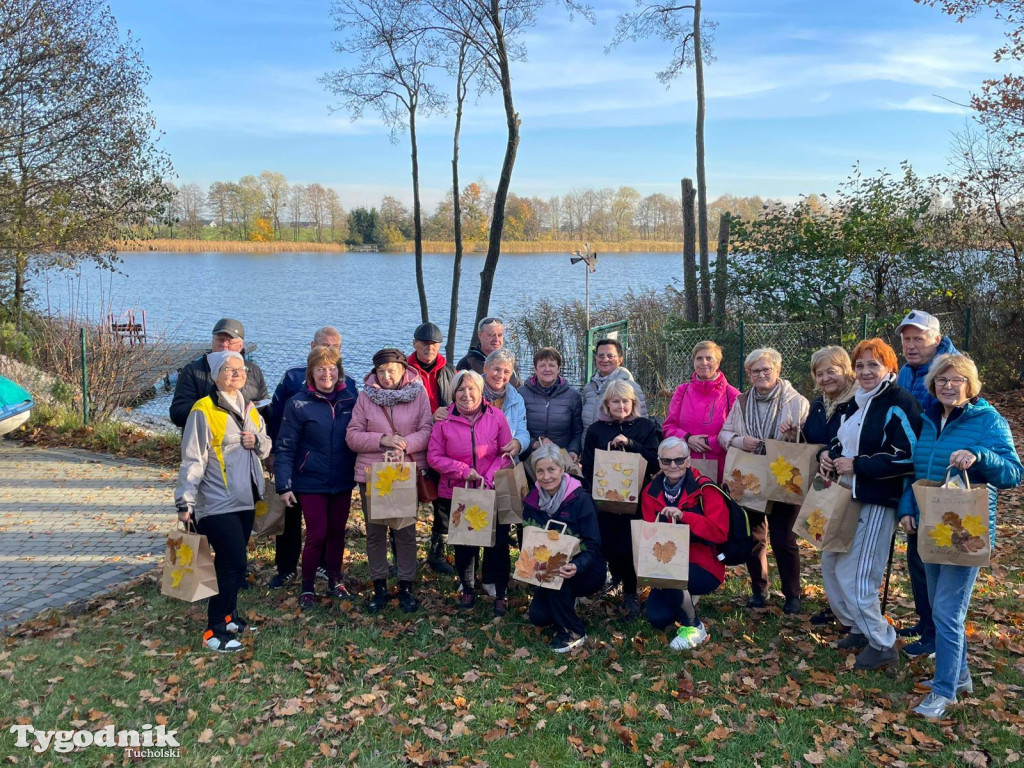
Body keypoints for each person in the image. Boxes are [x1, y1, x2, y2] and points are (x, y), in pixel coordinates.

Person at [898, 354, 1022, 718]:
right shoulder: (928, 419)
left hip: (967, 532)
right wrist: (908, 506)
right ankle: (961, 676)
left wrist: (979, 454)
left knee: (947, 612)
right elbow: (918, 470)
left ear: (970, 384)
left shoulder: (988, 420)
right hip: (932, 525)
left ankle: (944, 691)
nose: (949, 386)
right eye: (942, 380)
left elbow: (1013, 473)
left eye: (957, 380)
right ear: (932, 384)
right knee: (940, 608)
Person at [820, 339, 921, 671]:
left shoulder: (898, 402)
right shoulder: (858, 402)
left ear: (889, 368)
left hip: (877, 499)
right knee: (831, 561)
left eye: (873, 365)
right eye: (860, 365)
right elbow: (842, 441)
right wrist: (830, 456)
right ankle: (858, 627)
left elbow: (908, 456)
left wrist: (857, 465)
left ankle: (882, 643)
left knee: (856, 575)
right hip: (846, 496)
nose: (865, 371)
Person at [174, 350, 270, 652]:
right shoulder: (203, 410)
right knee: (233, 564)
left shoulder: (249, 407)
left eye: (241, 369)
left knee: (234, 565)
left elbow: (266, 446)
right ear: (216, 375)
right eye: (230, 369)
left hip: (245, 499)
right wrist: (185, 501)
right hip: (216, 502)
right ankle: (213, 631)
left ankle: (230, 617)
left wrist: (257, 442)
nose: (238, 374)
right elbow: (192, 458)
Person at [719, 347, 810, 614]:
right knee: (754, 535)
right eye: (754, 371)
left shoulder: (796, 401)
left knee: (784, 539)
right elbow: (724, 433)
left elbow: (808, 441)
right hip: (750, 474)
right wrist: (739, 441)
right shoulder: (741, 401)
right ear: (748, 374)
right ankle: (759, 589)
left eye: (766, 370)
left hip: (784, 474)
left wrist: (794, 435)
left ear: (777, 370)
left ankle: (792, 594)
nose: (760, 375)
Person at [346, 349, 433, 614]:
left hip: (404, 472)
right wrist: (382, 440)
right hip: (373, 475)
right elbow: (352, 436)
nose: (386, 376)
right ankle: (380, 587)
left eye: (391, 371)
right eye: (381, 371)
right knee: (375, 533)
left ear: (403, 370)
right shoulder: (365, 397)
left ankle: (406, 586)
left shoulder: (418, 394)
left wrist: (405, 444)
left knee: (404, 532)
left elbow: (427, 429)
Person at [274, 346, 358, 609]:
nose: (327, 374)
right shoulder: (298, 403)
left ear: (339, 371)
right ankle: (308, 586)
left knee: (337, 532)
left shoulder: (350, 400)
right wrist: (284, 485)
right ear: (311, 372)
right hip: (310, 480)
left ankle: (335, 580)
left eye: (332, 368)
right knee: (317, 533)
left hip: (342, 478)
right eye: (321, 369)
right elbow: (285, 446)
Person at [895, 310, 959, 657]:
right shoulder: (907, 371)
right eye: (906, 339)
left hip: (944, 473)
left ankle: (937, 632)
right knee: (917, 552)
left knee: (936, 556)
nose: (911, 345)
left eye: (918, 338)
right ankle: (925, 621)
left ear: (936, 338)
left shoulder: (952, 370)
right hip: (916, 467)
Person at [428, 370, 515, 617]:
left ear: (480, 391)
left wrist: (489, 477)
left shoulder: (496, 416)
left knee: (498, 543)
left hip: (492, 488)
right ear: (454, 393)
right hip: (459, 490)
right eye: (460, 390)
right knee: (465, 543)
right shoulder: (444, 421)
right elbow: (434, 456)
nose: (466, 394)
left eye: (471, 389)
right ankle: (467, 588)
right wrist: (464, 471)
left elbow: (506, 452)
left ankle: (500, 591)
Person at [265, 326, 343, 589]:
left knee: (324, 523)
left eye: (334, 347)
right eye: (324, 345)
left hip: (328, 467)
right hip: (295, 462)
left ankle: (323, 566)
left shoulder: (347, 385)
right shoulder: (292, 377)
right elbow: (275, 417)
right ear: (312, 346)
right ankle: (286, 567)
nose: (329, 350)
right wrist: (273, 453)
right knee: (290, 517)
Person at [580, 379, 660, 620]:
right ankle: (615, 579)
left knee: (630, 545)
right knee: (609, 543)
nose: (621, 406)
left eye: (625, 401)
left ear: (633, 403)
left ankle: (631, 592)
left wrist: (631, 444)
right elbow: (588, 466)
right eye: (616, 401)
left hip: (636, 499)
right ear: (607, 404)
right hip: (605, 499)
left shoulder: (645, 427)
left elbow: (654, 463)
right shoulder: (596, 431)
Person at [641, 437, 729, 650]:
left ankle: (694, 627)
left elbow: (719, 533)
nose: (673, 465)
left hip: (703, 562)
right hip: (665, 562)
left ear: (689, 461)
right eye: (666, 461)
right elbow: (649, 536)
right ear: (660, 462)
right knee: (658, 618)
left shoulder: (706, 488)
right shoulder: (650, 492)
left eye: (679, 460)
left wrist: (684, 517)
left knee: (671, 572)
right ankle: (685, 597)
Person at [795, 346, 858, 628]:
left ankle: (853, 614)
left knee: (847, 553)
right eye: (819, 374)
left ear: (846, 369)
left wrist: (830, 453)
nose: (825, 379)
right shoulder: (819, 404)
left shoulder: (858, 401)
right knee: (828, 548)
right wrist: (799, 436)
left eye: (831, 371)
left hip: (853, 484)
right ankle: (837, 609)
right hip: (826, 484)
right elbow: (814, 441)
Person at [523, 444, 605, 653]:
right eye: (540, 471)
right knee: (539, 617)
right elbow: (526, 538)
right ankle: (566, 601)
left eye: (551, 470)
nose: (546, 476)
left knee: (557, 578)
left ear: (562, 469)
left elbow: (593, 543)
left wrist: (577, 565)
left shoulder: (581, 499)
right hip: (548, 567)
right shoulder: (532, 500)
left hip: (586, 568)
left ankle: (573, 632)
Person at [406, 321, 458, 575]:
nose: (429, 348)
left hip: (442, 444)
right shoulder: (403, 371)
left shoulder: (449, 371)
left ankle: (437, 553)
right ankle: (403, 556)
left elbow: (457, 403)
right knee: (406, 501)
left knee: (444, 500)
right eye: (425, 343)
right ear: (415, 343)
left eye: (434, 344)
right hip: (411, 443)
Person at [170, 318, 268, 429]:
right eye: (220, 339)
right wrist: (213, 407)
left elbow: (266, 411)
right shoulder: (192, 371)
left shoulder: (254, 371)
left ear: (240, 345)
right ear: (213, 341)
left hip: (246, 435)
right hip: (207, 434)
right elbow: (177, 414)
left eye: (230, 341)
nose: (224, 345)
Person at [662, 340, 739, 483]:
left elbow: (737, 433)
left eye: (709, 358)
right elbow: (668, 428)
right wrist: (687, 438)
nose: (704, 362)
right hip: (684, 466)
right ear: (694, 362)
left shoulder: (732, 395)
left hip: (722, 468)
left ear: (718, 363)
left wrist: (708, 442)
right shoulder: (682, 391)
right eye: (699, 358)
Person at [518, 347, 584, 469]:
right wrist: (534, 444)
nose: (547, 369)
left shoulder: (573, 396)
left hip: (562, 457)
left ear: (558, 369)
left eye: (552, 365)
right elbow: (517, 428)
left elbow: (578, 431)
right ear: (535, 369)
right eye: (542, 365)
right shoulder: (522, 394)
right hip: (529, 458)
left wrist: (573, 450)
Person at [581, 338, 648, 431]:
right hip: (589, 439)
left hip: (618, 439)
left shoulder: (630, 386)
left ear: (620, 360)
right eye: (601, 356)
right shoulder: (589, 386)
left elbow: (643, 424)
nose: (605, 359)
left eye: (610, 356)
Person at [456, 317, 521, 387]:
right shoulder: (467, 363)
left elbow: (519, 388)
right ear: (480, 335)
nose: (496, 339)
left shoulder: (509, 362)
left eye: (499, 335)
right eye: (492, 335)